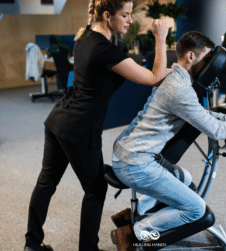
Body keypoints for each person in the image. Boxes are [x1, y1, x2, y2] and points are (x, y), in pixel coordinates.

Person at [24, 0, 169, 250]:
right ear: (106, 15)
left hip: (59, 119)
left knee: (47, 182)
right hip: (79, 127)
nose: (130, 20)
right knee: (96, 188)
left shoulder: (86, 36)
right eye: (124, 15)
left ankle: (32, 245)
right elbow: (155, 78)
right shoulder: (105, 51)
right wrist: (161, 38)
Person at [109, 31, 226, 251]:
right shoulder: (180, 90)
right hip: (135, 163)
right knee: (195, 209)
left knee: (185, 178)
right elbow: (215, 129)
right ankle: (134, 233)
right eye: (206, 60)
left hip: (131, 153)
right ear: (191, 56)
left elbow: (205, 115)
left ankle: (130, 216)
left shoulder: (176, 77)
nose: (209, 68)